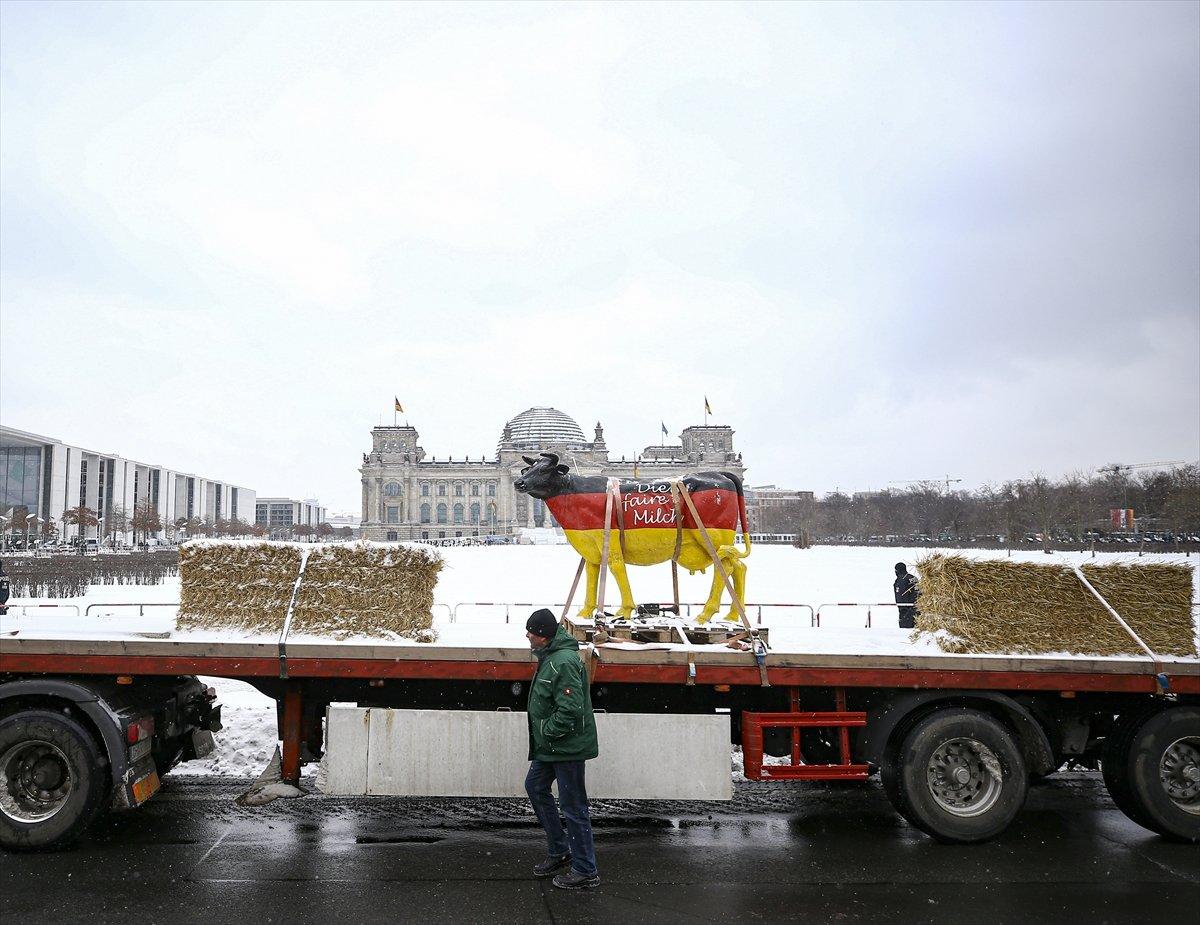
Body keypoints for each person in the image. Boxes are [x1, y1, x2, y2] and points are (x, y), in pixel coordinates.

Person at [523, 607, 600, 890]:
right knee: (535, 787)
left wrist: (546, 731)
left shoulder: (563, 662)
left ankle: (585, 870)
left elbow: (570, 710)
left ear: (544, 636)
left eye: (532, 632)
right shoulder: (551, 657)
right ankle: (560, 850)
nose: (528, 636)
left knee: (573, 806)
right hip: (551, 746)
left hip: (566, 747)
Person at [894, 562, 918, 628]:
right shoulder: (913, 577)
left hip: (907, 610)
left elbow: (900, 596)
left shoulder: (901, 580)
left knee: (906, 632)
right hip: (918, 607)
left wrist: (902, 608)